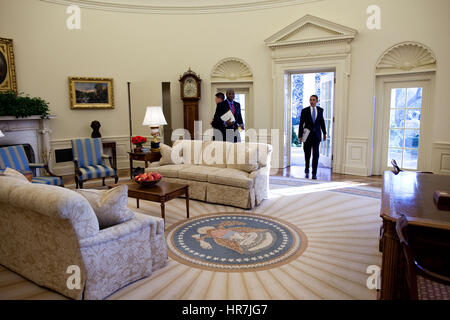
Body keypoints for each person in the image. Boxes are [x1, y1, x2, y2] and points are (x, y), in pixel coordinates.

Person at [298, 95, 326, 180]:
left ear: (317, 101)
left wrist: (324, 133)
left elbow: (322, 122)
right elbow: (301, 123)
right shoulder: (304, 111)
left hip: (316, 135)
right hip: (307, 135)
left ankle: (314, 173)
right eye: (310, 100)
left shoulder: (320, 110)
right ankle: (307, 167)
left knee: (316, 154)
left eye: (313, 100)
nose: (312, 101)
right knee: (307, 153)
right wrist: (300, 136)